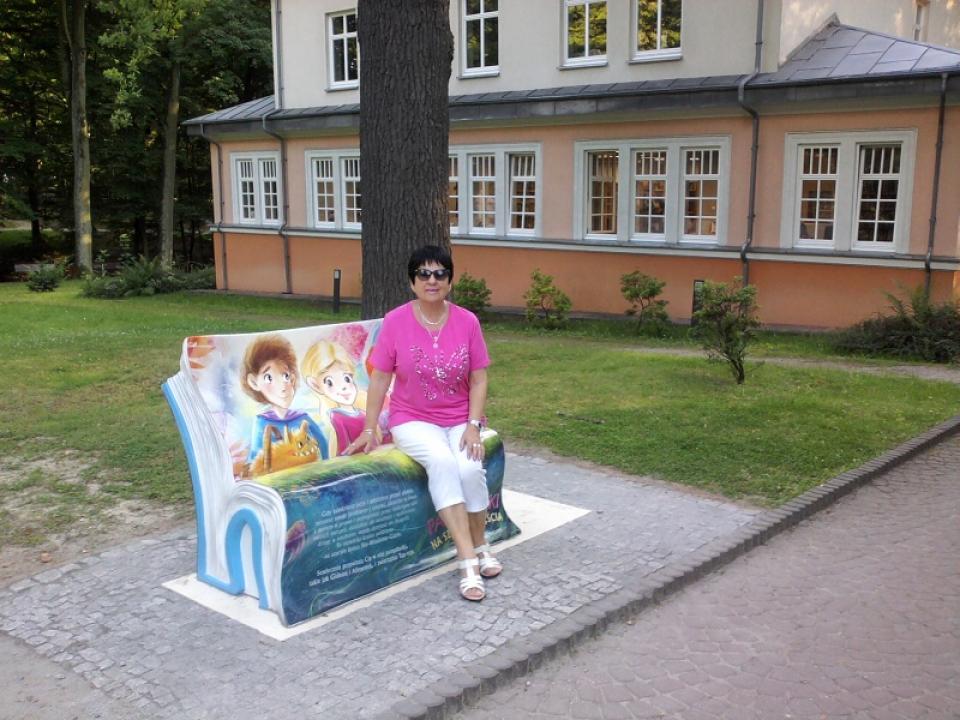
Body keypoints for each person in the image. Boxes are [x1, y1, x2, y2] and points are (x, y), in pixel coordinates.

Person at [344, 244, 502, 601]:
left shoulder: (467, 322)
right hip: (412, 419)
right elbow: (380, 379)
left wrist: (473, 425)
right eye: (424, 274)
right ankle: (467, 559)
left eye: (440, 273)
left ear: (450, 280)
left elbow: (479, 379)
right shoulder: (396, 321)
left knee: (469, 467)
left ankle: (481, 544)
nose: (432, 280)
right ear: (412, 282)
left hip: (460, 418)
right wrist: (370, 428)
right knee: (443, 462)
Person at [240, 335, 330, 467]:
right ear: (254, 382)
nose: (282, 386)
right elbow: (256, 458)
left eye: (286, 376)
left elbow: (323, 445)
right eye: (269, 378)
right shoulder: (262, 422)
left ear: (292, 379)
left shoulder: (303, 418)